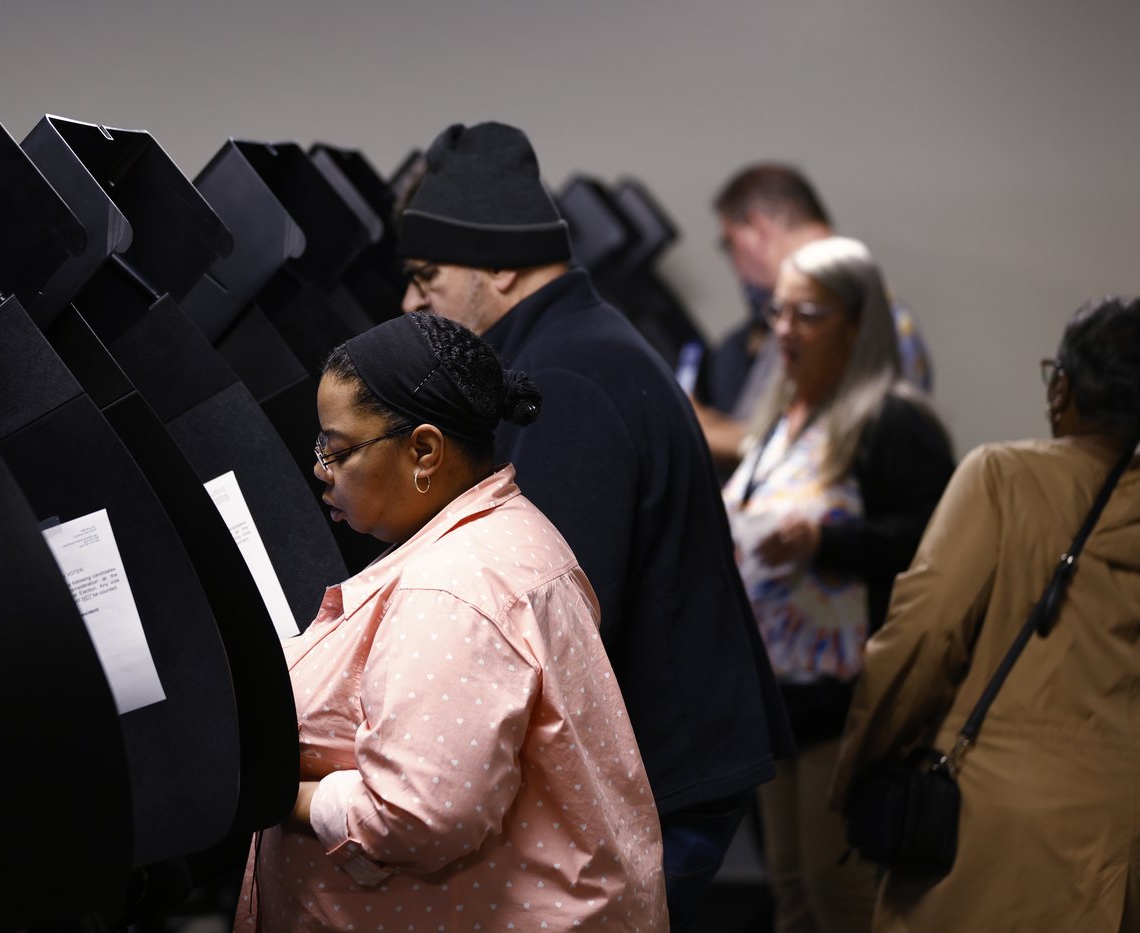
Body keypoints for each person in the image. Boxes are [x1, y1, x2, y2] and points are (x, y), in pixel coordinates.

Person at [395, 121, 792, 930]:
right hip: (676, 755)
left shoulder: (564, 377)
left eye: (427, 276)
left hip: (667, 776)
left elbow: (552, 616)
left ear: (500, 264)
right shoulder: (574, 344)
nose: (411, 302)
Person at [234, 312, 668, 932]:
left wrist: (281, 797)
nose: (321, 469)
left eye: (338, 449)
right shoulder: (502, 531)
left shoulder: (452, 588)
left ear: (425, 450)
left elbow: (419, 814)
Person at [831, 296, 1140, 932]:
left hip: (1000, 818)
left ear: (1061, 385)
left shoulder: (1001, 478)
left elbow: (923, 636)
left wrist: (861, 765)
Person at [723, 236, 954, 933]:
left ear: (857, 323)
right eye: (777, 312)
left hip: (849, 702)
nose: (782, 331)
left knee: (838, 892)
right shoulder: (779, 423)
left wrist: (830, 541)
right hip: (778, 700)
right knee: (790, 888)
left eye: (806, 314)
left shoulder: (893, 421)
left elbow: (936, 547)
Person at [694, 164, 932, 474]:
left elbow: (824, 449)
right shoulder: (794, 317)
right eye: (780, 312)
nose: (733, 264)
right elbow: (769, 432)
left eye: (730, 243)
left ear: (758, 227)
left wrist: (689, 428)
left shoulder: (870, 317)